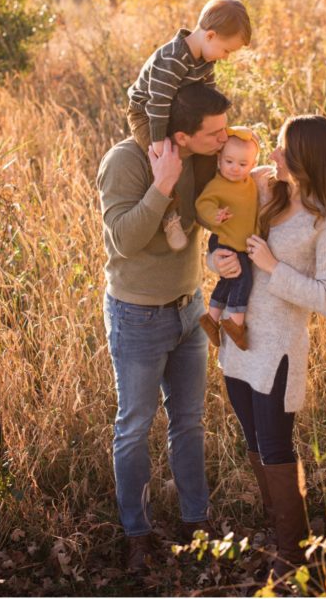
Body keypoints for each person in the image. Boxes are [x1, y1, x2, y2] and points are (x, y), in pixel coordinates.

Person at [212, 115, 326, 571]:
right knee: (254, 442)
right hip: (239, 342)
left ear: (304, 159)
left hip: (278, 351)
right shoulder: (266, 192)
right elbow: (229, 239)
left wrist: (275, 267)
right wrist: (217, 258)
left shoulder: (325, 222)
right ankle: (281, 534)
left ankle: (293, 555)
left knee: (276, 446)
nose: (271, 156)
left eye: (280, 149)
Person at [96, 82, 231, 574]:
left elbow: (232, 194)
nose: (222, 139)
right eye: (213, 133)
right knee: (134, 427)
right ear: (181, 135)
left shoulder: (206, 157)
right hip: (137, 317)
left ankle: (197, 523)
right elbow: (125, 239)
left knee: (189, 423)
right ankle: (137, 532)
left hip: (190, 311)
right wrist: (162, 184)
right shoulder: (124, 162)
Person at [125, 0, 251, 251]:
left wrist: (224, 132)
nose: (225, 57)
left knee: (208, 151)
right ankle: (170, 214)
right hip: (146, 113)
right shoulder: (171, 60)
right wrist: (160, 142)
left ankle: (205, 203)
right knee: (162, 161)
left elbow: (210, 101)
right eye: (227, 50)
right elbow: (157, 104)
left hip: (176, 113)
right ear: (211, 36)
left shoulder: (206, 60)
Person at [195, 126, 262, 349]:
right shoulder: (218, 185)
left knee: (228, 279)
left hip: (240, 241)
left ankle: (211, 318)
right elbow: (203, 205)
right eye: (229, 162)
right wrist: (216, 215)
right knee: (243, 278)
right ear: (219, 160)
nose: (235, 169)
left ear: (252, 165)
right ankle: (235, 322)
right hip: (226, 240)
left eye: (243, 164)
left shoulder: (250, 183)